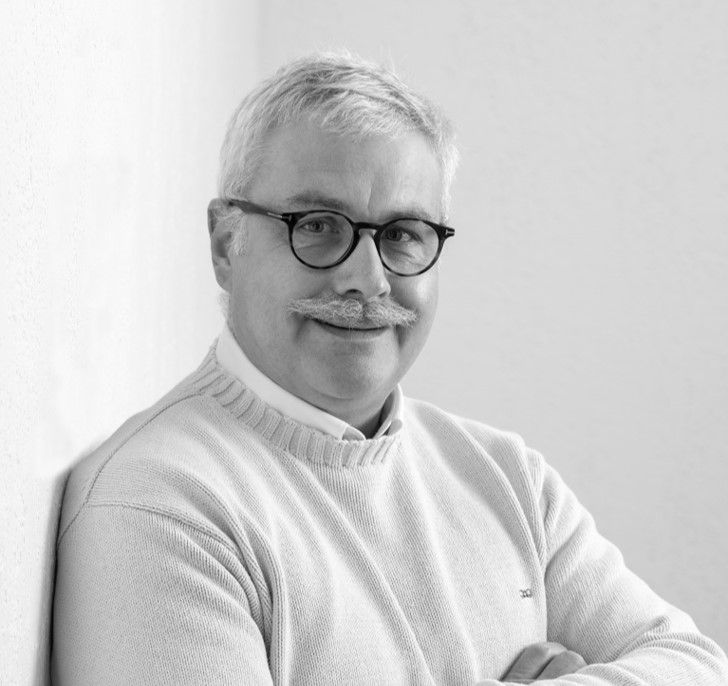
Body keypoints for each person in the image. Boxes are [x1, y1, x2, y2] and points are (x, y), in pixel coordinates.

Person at [52, 52, 728, 685]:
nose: (367, 279)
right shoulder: (159, 506)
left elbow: (696, 665)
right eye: (318, 224)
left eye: (402, 234)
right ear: (227, 244)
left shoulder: (508, 479)